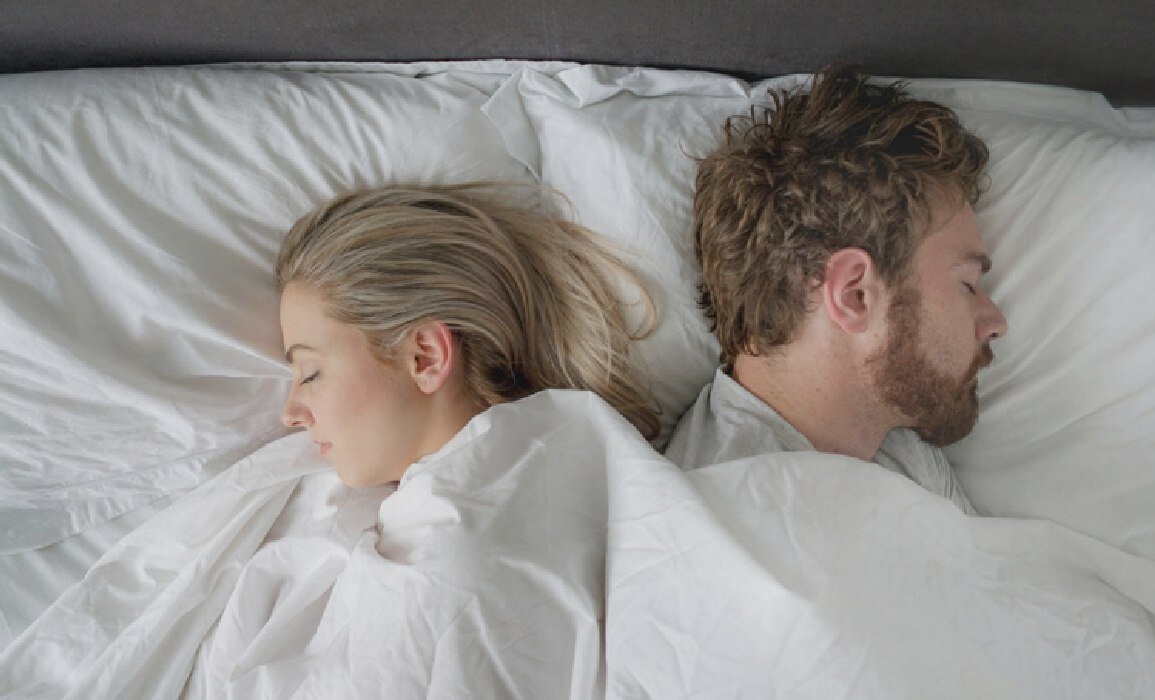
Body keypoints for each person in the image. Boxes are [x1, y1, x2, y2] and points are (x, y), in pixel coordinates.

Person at [665, 65, 1008, 514]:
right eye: (967, 285)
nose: (996, 322)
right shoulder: (730, 519)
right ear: (854, 294)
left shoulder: (897, 452)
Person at [276, 183, 660, 487]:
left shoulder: (456, 529)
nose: (289, 415)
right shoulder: (578, 459)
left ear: (426, 357)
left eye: (310, 373)